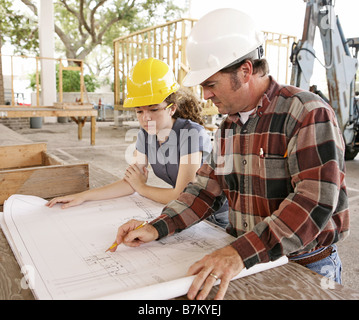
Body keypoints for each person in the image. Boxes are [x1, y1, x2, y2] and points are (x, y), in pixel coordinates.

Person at [111, 8, 350, 300]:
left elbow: (313, 202)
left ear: (245, 70)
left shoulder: (305, 113)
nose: (205, 95)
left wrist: (237, 254)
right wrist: (158, 227)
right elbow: (205, 191)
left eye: (210, 84)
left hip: (305, 266)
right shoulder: (228, 128)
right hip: (247, 264)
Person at [47, 57, 228, 229]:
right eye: (139, 111)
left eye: (154, 109)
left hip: (215, 218)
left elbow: (182, 195)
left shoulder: (191, 133)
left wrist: (142, 187)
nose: (145, 118)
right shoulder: (146, 135)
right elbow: (129, 183)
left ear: (172, 109)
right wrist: (83, 196)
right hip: (187, 213)